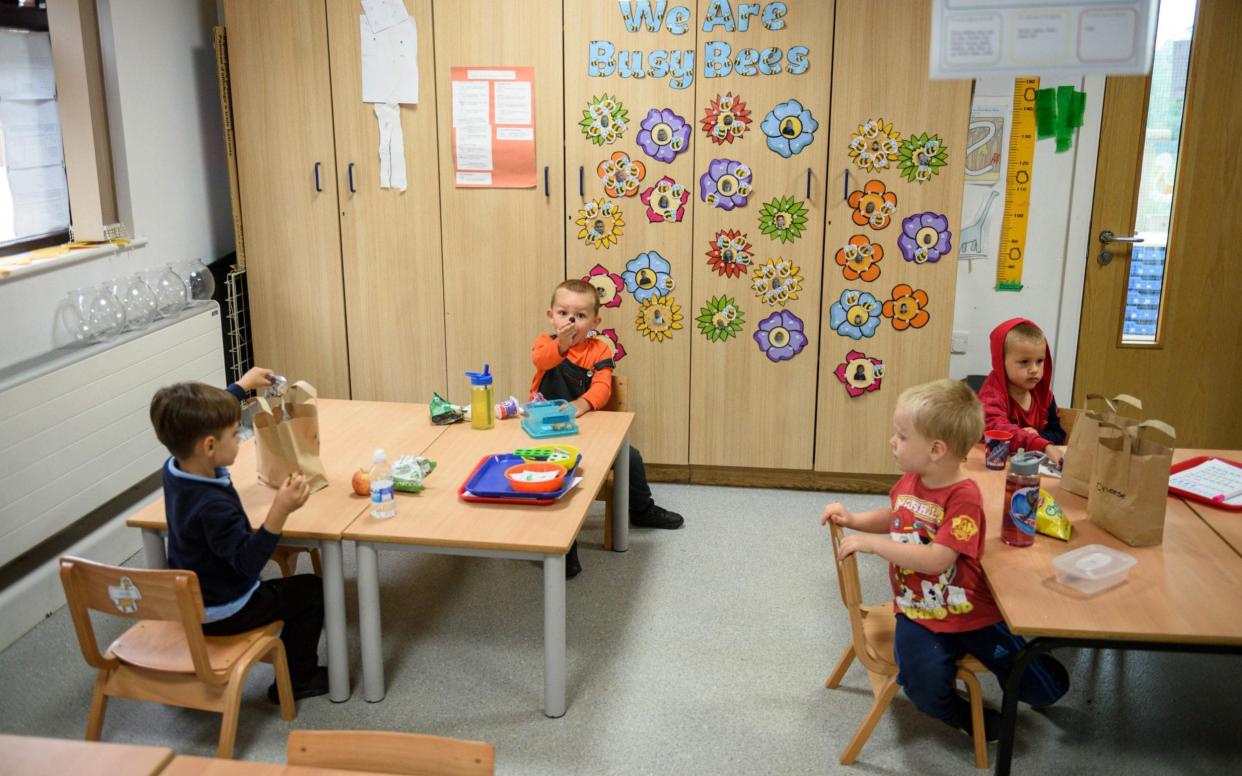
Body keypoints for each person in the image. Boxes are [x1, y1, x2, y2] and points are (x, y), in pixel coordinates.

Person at [821, 379, 1068, 740]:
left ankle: (1046, 685)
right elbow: (897, 515)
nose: (893, 441)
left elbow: (937, 559)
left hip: (971, 612)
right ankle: (964, 715)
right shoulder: (912, 479)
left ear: (936, 449)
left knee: (1024, 673)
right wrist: (855, 520)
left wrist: (874, 546)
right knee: (920, 684)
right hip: (917, 611)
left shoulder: (963, 497)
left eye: (902, 436)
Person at [148, 367, 327, 703]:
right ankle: (299, 680)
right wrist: (281, 510)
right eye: (236, 433)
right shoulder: (212, 507)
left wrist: (241, 387)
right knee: (311, 591)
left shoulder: (177, 465)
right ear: (210, 446)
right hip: (224, 608)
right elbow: (248, 563)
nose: (241, 437)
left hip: (194, 598)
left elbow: (205, 426)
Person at [531, 279, 684, 578]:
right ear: (551, 315)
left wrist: (582, 405)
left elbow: (603, 388)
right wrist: (560, 345)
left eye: (580, 316)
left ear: (595, 321)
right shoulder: (543, 344)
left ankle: (641, 509)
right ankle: (565, 545)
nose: (570, 321)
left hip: (589, 425)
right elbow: (542, 360)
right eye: (563, 313)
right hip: (547, 430)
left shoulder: (599, 349)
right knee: (559, 473)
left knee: (631, 457)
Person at [979, 318, 1067, 463]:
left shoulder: (1045, 397)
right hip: (993, 467)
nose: (1034, 370)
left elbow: (1058, 434)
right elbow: (999, 431)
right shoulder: (990, 396)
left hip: (1030, 470)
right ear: (1001, 362)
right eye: (1024, 362)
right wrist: (1040, 445)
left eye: (1040, 361)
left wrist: (1039, 436)